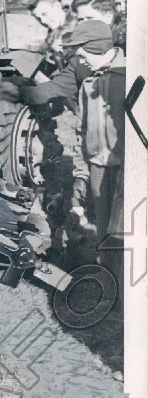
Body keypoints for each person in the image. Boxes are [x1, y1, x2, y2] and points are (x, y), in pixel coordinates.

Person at [18, 21, 125, 243]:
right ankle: (108, 275)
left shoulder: (132, 78)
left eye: (83, 54)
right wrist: (81, 174)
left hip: (126, 169)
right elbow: (82, 133)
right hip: (97, 168)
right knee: (105, 233)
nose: (80, 61)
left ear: (98, 47)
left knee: (126, 231)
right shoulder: (88, 84)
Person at [30, 0, 75, 69]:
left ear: (57, 6)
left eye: (44, 14)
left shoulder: (78, 23)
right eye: (38, 18)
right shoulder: (51, 36)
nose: (43, 21)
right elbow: (61, 69)